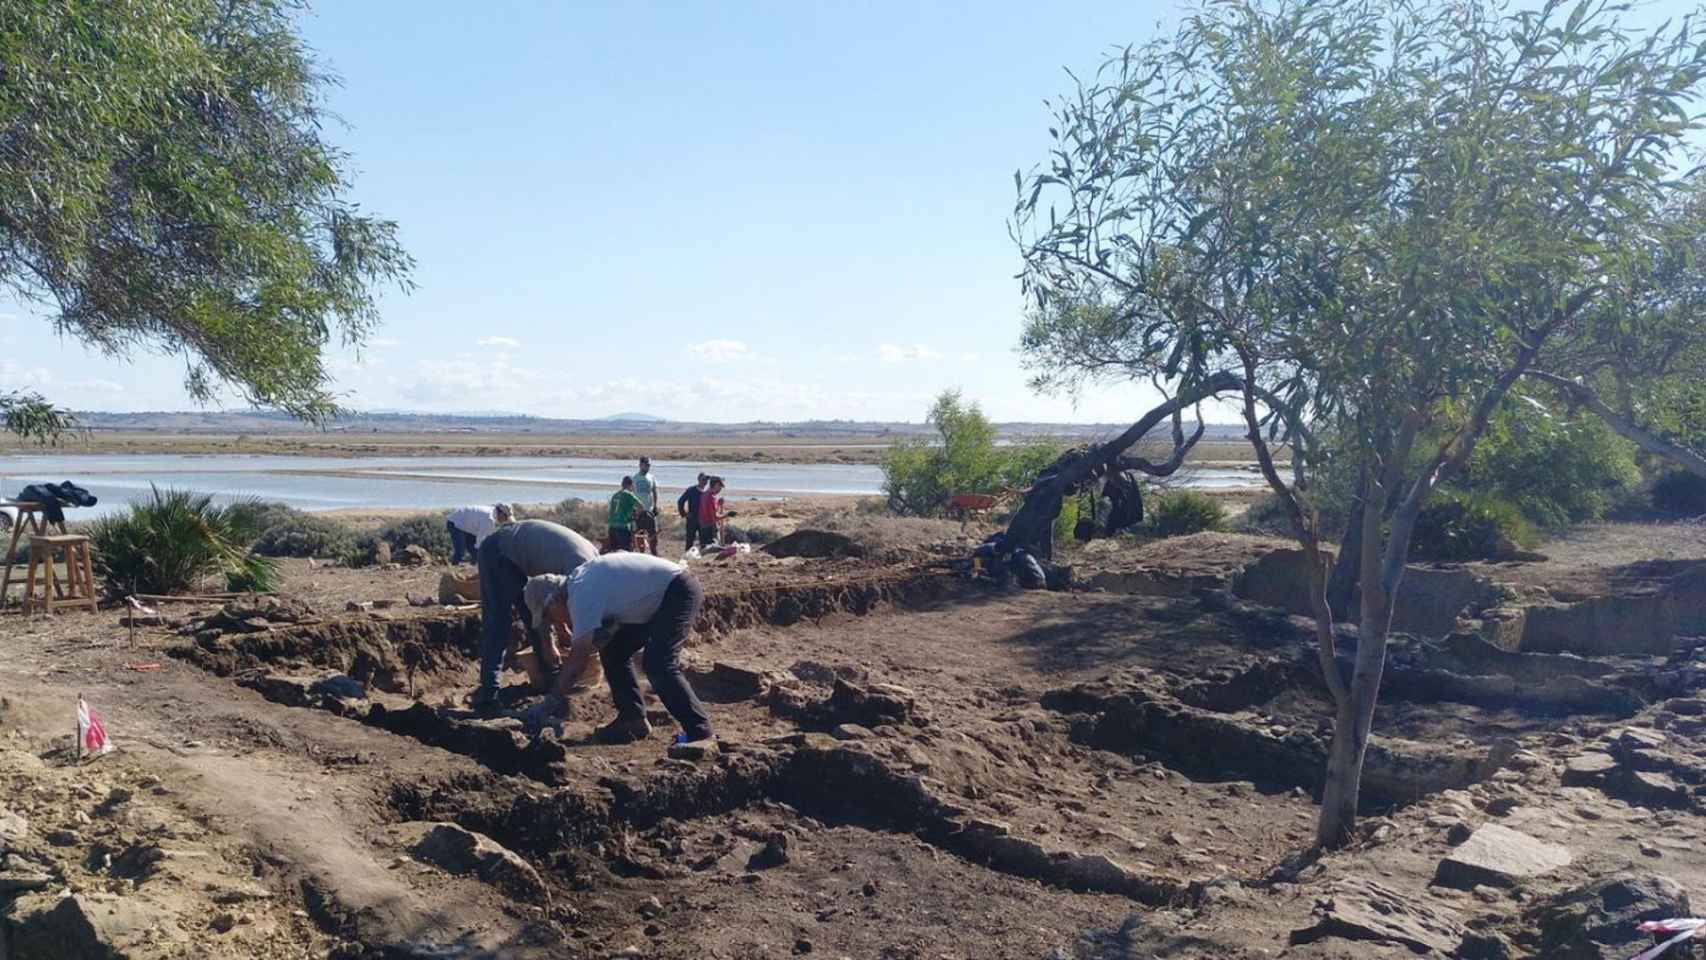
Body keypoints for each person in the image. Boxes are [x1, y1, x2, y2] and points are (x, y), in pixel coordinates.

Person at [532, 552, 713, 744]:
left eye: (549, 617)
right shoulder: (578, 585)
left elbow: (578, 661)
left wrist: (550, 701)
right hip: (655, 598)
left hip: (677, 591)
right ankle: (632, 720)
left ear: (554, 600)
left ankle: (700, 733)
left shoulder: (580, 594)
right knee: (614, 651)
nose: (555, 622)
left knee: (658, 664)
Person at [470, 519, 599, 712]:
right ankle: (488, 696)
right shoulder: (581, 573)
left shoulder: (589, 572)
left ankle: (550, 678)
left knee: (533, 616)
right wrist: (551, 641)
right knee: (499, 623)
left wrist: (562, 628)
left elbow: (560, 602)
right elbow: (551, 602)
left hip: (520, 553)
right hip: (499, 551)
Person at [446, 503, 513, 565]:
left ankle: (474, 564)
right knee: (460, 550)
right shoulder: (489, 519)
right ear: (501, 514)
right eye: (506, 518)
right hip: (455, 523)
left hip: (466, 524)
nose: (506, 520)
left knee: (473, 548)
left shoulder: (492, 514)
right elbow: (480, 542)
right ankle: (454, 567)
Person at [630, 457, 660, 556]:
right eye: (646, 464)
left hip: (649, 510)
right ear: (641, 465)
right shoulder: (635, 478)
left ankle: (654, 553)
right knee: (637, 534)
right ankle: (640, 554)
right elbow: (631, 494)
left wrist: (655, 505)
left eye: (649, 465)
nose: (648, 466)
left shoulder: (651, 477)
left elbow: (654, 492)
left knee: (653, 534)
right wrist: (632, 509)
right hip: (638, 511)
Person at [607, 476, 645, 552]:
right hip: (623, 527)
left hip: (612, 527)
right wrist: (636, 516)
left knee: (614, 552)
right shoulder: (628, 494)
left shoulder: (615, 495)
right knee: (626, 552)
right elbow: (641, 506)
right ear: (630, 485)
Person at [677, 473, 708, 551]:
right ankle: (687, 557)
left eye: (706, 480)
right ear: (698, 479)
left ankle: (702, 559)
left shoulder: (707, 492)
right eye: (703, 479)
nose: (705, 482)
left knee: (704, 541)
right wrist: (684, 514)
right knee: (690, 540)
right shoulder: (691, 490)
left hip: (703, 520)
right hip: (692, 519)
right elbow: (680, 501)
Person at [697, 476, 726, 547]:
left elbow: (711, 510)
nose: (720, 489)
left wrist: (718, 504)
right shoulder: (711, 498)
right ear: (716, 485)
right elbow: (715, 517)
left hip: (702, 527)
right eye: (720, 487)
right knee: (713, 550)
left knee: (705, 549)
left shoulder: (704, 494)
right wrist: (728, 514)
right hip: (710, 529)